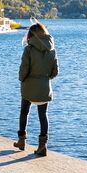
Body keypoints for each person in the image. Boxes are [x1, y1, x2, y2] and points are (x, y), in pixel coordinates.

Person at [14, 22, 59, 157]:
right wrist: (45, 78)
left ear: (31, 34)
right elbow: (55, 71)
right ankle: (42, 146)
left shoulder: (29, 49)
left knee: (24, 113)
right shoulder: (52, 50)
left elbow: (24, 70)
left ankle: (21, 141)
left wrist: (22, 79)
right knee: (43, 115)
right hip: (44, 87)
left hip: (29, 86)